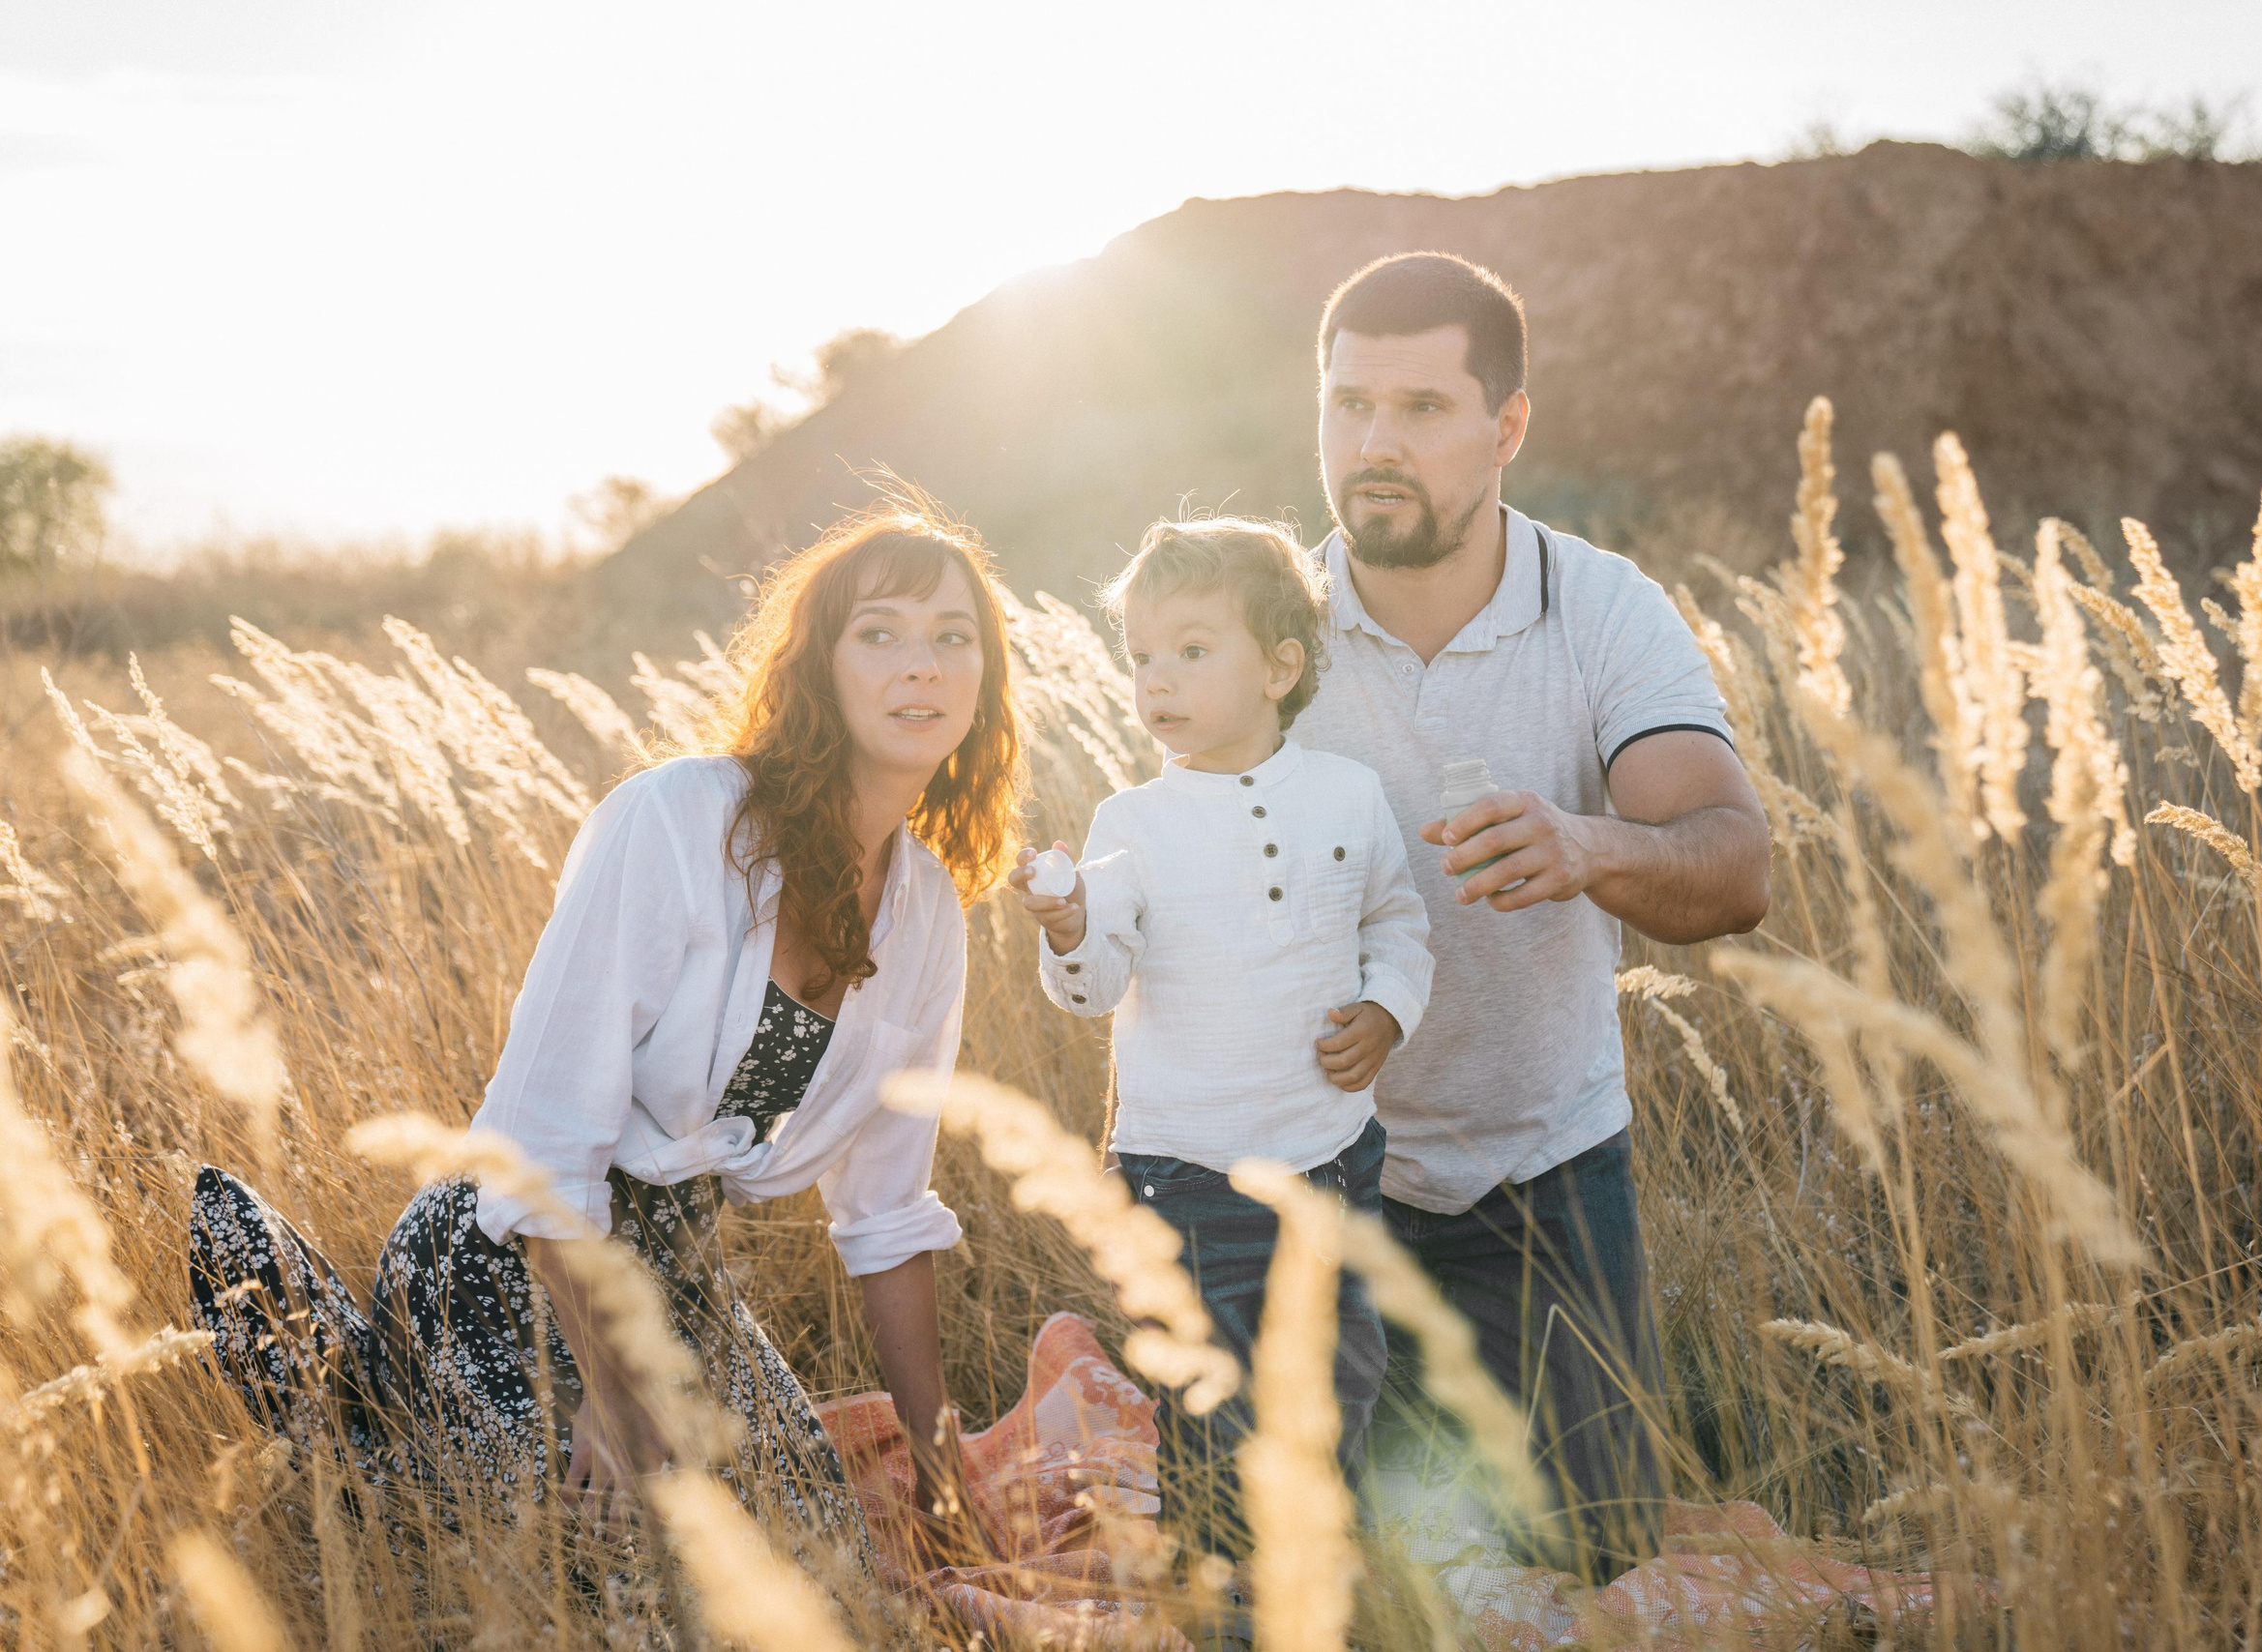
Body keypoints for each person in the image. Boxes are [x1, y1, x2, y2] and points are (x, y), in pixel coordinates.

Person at [188, 503, 1021, 1565]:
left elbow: (888, 1211)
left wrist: (944, 1471)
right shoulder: (680, 819)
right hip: (514, 1250)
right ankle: (346, 1412)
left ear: (985, 680)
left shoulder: (928, 913)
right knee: (594, 1564)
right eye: (882, 631)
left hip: (675, 1277)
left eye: (955, 636)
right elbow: (541, 1131)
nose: (924, 666)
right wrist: (611, 1392)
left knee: (819, 1564)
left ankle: (411, 1417)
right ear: (819, 665)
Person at [1288, 252, 1771, 1581]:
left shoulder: (1601, 607)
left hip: (1543, 1172)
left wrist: (1584, 845)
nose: (1375, 443)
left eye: (1423, 408)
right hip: (1327, 1171)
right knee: (1352, 1575)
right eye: (1349, 404)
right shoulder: (1267, 624)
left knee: (1593, 1558)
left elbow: (1736, 866)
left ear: (1507, 429)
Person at [1010, 517, 1433, 1556]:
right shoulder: (1132, 823)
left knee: (1347, 1363)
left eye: (1192, 652)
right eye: (1142, 656)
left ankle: (1330, 1558)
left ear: (1280, 666)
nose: (1157, 680)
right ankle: (1236, 1592)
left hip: (1334, 1154)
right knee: (1217, 1392)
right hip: (1189, 1170)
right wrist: (1068, 926)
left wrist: (1385, 1009)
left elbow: (1396, 923)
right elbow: (1094, 981)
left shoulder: (1348, 794)